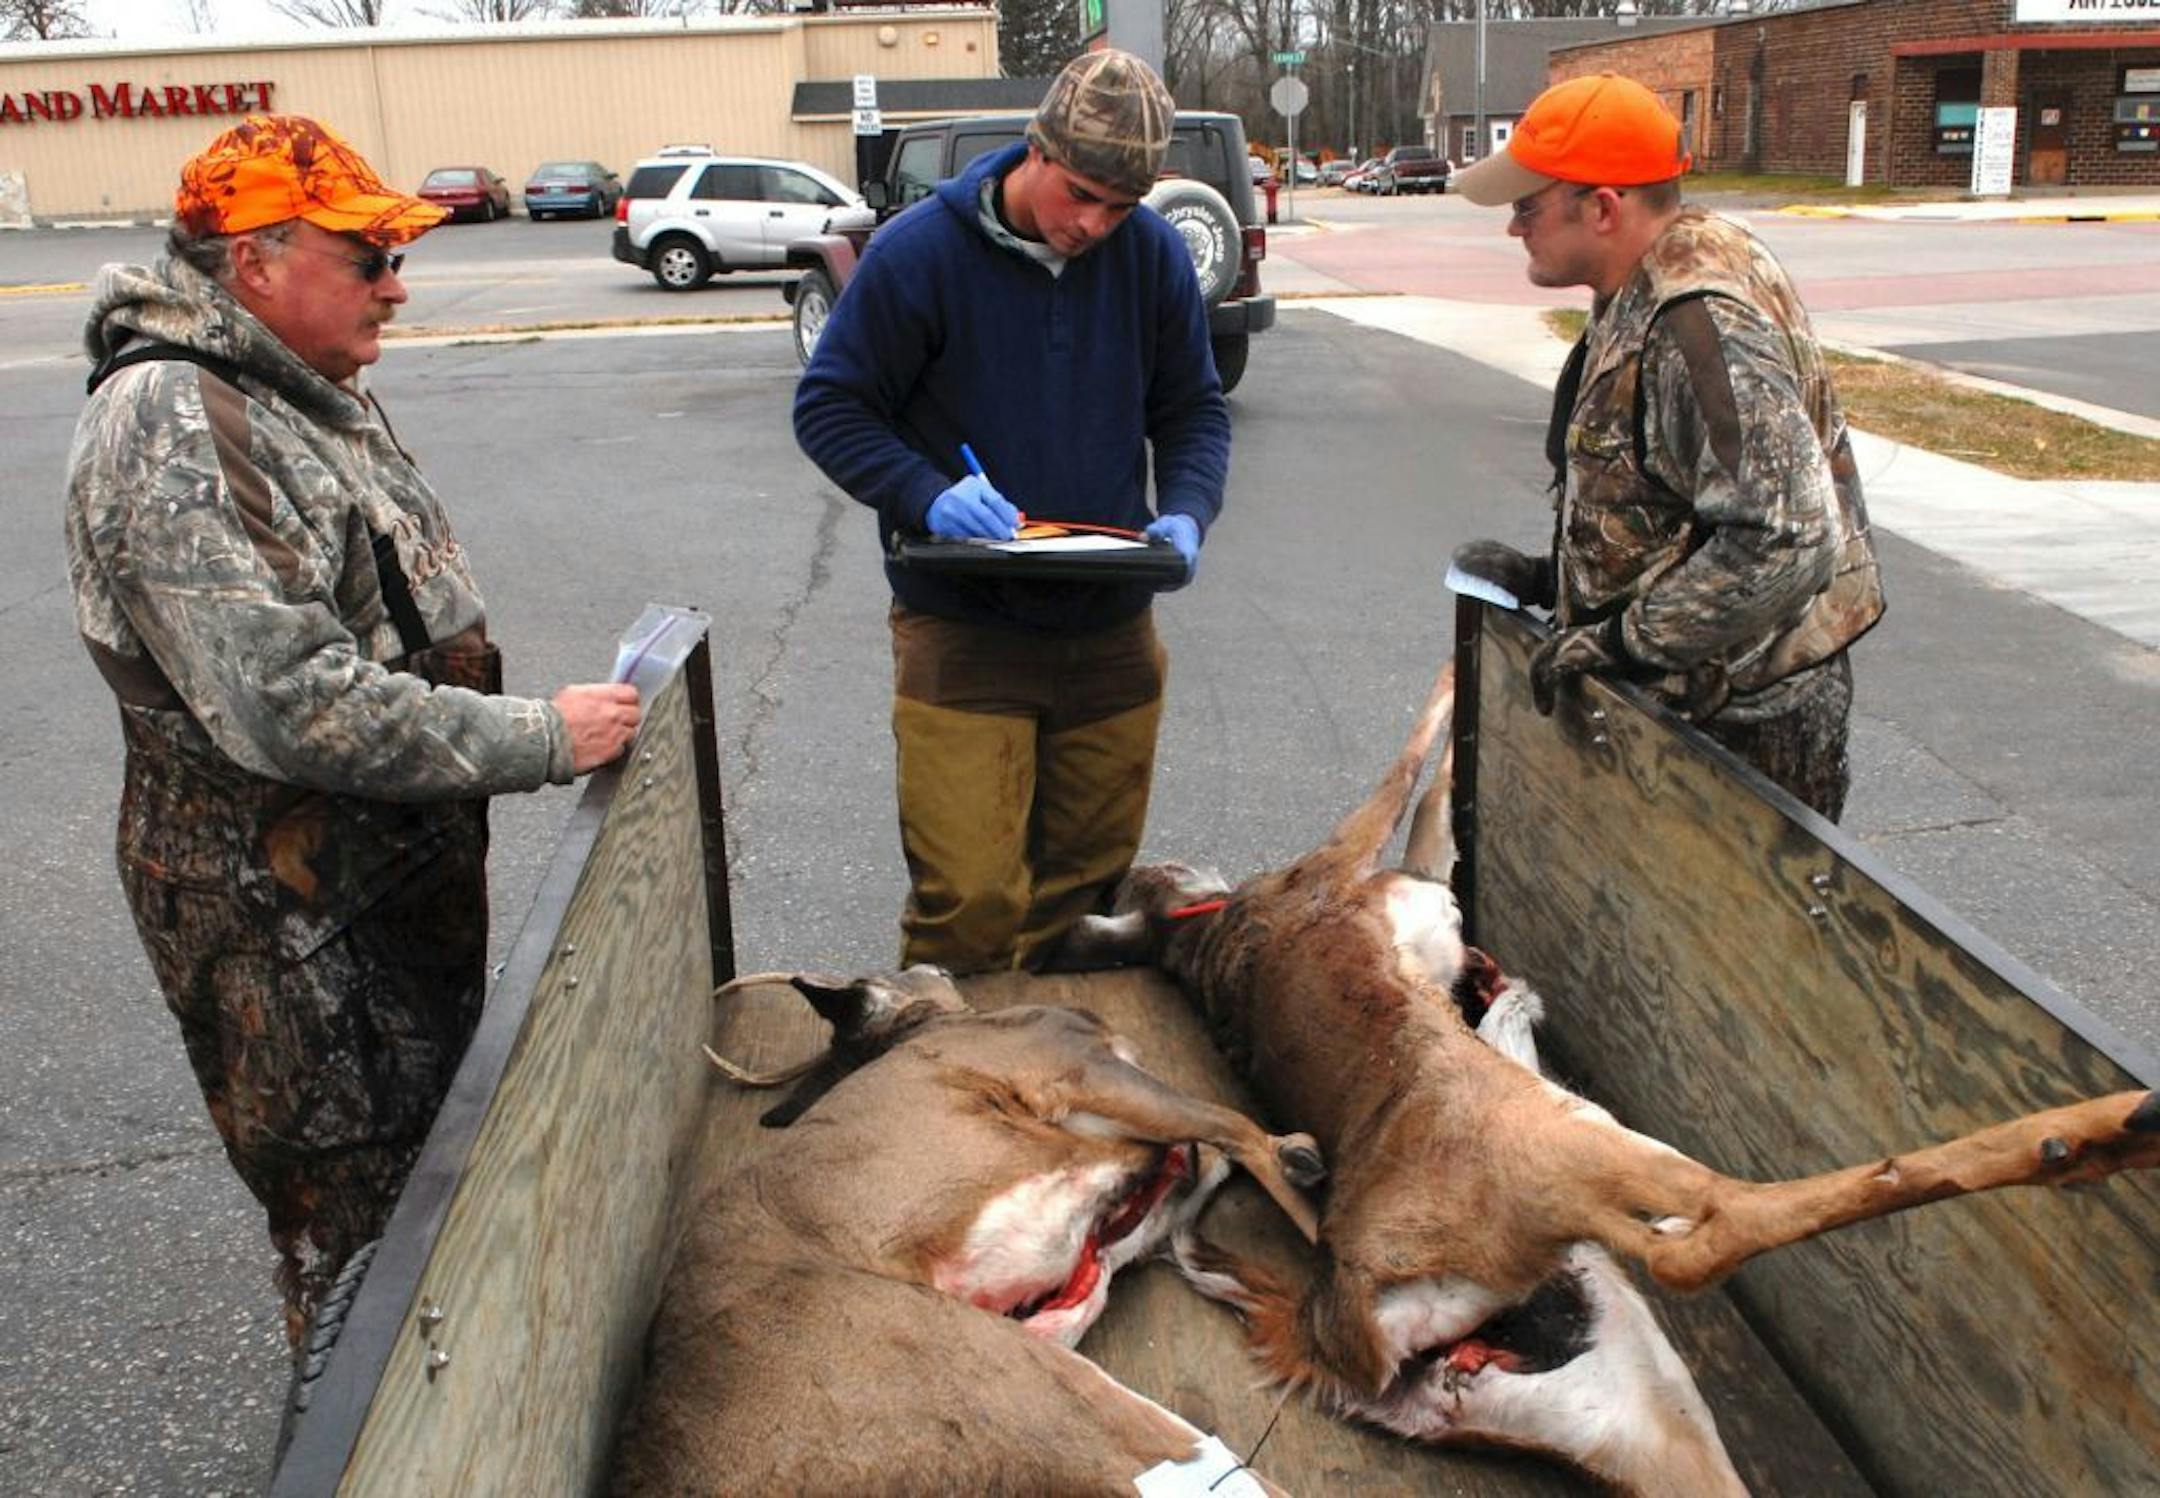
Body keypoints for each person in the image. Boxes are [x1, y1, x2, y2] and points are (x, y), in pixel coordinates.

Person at [64, 114, 642, 1345]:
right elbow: (294, 701)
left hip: (375, 891)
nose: (397, 282)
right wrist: (539, 736)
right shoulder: (174, 417)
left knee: (430, 1215)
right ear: (255, 263)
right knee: (362, 1273)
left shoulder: (303, 390)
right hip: (291, 931)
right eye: (365, 256)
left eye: (394, 255)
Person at [794, 50, 1230, 971]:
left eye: (1120, 207)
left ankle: (1054, 1084)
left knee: (1083, 898)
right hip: (965, 630)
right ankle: (944, 1090)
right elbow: (830, 405)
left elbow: (1192, 409)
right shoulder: (920, 255)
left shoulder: (1147, 259)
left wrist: (1187, 509)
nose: (1093, 224)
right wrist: (924, 492)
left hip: (1110, 630)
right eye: (1079, 194)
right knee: (973, 904)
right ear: (1035, 148)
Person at [1450, 74, 1884, 820]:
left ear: (1603, 207)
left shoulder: (1699, 326)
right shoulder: (1647, 278)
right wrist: (1559, 580)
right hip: (1696, 710)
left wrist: (1622, 639)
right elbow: (1670, 495)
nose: (1514, 227)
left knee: (1734, 938)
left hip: (1742, 735)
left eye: (1527, 206)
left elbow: (1786, 539)